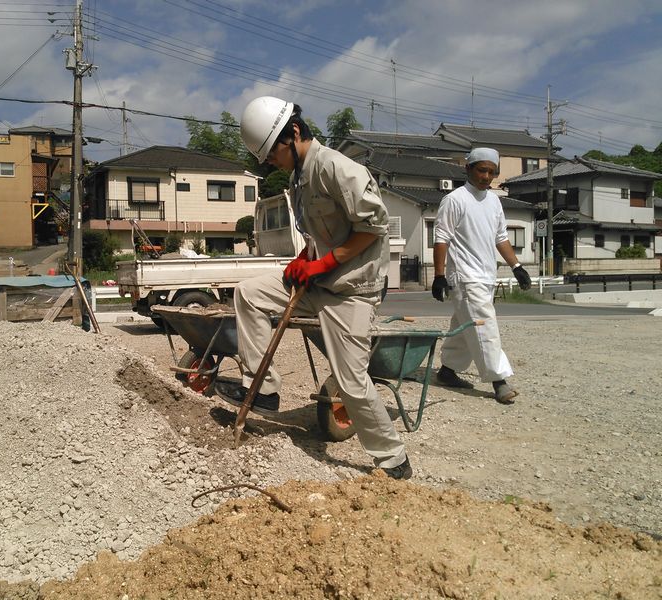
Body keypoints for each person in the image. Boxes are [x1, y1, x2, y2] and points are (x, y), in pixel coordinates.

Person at [215, 96, 412, 480]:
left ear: (293, 133)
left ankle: (393, 459)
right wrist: (306, 258)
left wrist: (324, 262)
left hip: (352, 290)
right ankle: (265, 390)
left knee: (351, 381)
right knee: (249, 294)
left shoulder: (338, 168)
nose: (271, 162)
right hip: (319, 281)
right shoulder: (298, 177)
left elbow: (373, 227)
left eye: (272, 154)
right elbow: (319, 231)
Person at [431, 147, 532, 404]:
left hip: (485, 274)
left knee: (465, 325)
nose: (486, 176)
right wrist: (439, 275)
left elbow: (501, 238)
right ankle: (499, 380)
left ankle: (448, 370)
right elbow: (441, 238)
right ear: (468, 169)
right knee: (485, 325)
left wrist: (517, 266)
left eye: (491, 171)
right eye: (481, 170)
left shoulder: (494, 201)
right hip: (465, 276)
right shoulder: (455, 199)